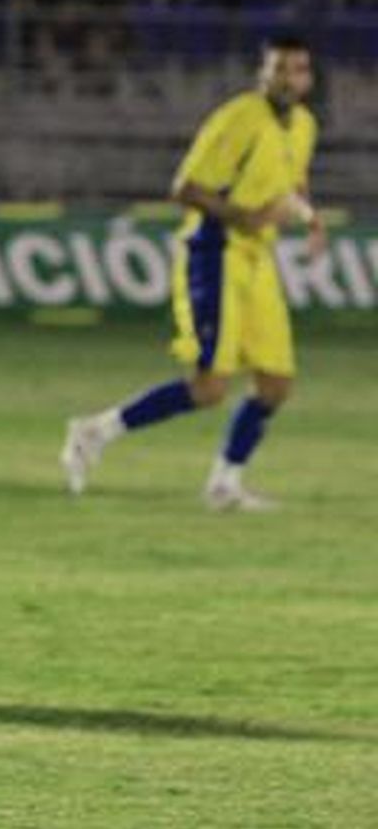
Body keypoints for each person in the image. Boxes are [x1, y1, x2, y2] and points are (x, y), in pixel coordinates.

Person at [61, 35, 324, 510]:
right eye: (280, 69)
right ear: (263, 75)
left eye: (298, 70)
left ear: (309, 78)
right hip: (216, 252)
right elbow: (185, 188)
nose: (289, 79)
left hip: (258, 259)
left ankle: (225, 484)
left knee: (276, 383)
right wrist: (240, 216)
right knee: (209, 388)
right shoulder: (239, 118)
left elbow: (293, 183)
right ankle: (95, 431)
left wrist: (310, 217)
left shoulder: (304, 125)